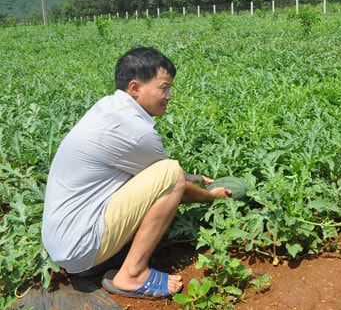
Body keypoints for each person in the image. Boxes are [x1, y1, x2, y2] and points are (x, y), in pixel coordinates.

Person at [42, 46, 231, 299]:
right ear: (135, 88)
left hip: (64, 242)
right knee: (170, 172)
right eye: (163, 88)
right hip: (83, 246)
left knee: (170, 173)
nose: (169, 96)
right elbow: (172, 181)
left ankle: (104, 262)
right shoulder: (136, 131)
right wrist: (211, 196)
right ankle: (132, 274)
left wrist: (191, 177)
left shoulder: (108, 107)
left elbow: (152, 173)